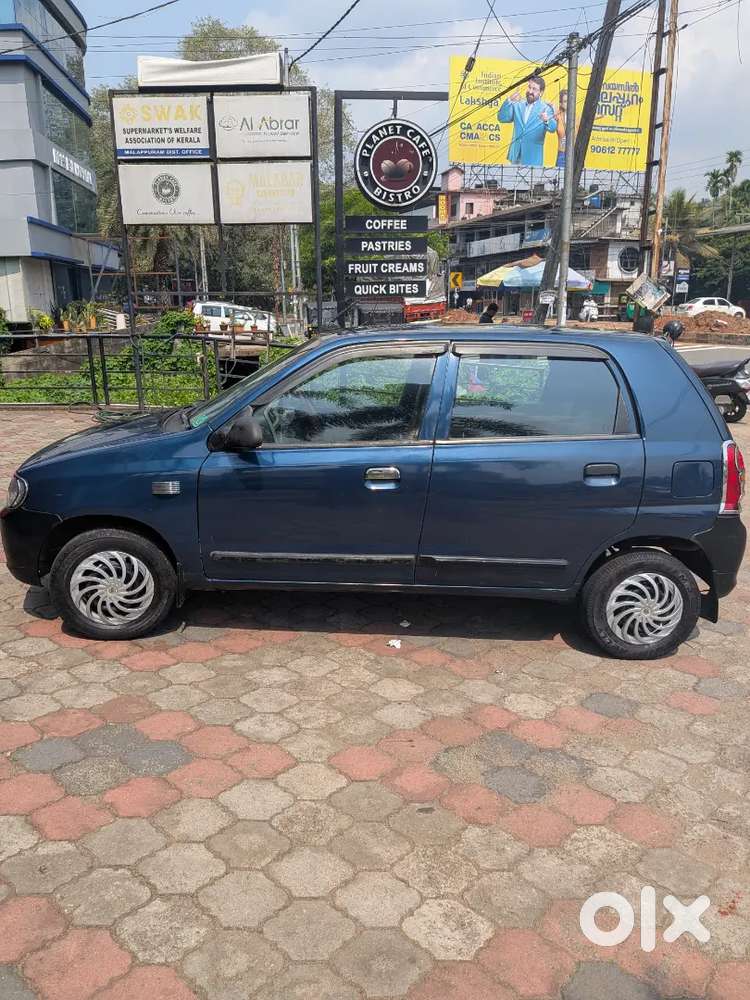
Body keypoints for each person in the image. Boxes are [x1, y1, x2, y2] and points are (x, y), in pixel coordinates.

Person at [498, 76, 556, 167]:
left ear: (541, 93)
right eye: (529, 87)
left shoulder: (546, 108)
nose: (530, 91)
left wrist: (546, 120)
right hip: (515, 156)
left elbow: (553, 128)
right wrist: (509, 100)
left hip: (533, 159)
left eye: (534, 89)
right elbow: (502, 118)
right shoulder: (518, 104)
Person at [555, 89, 567, 168]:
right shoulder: (557, 116)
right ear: (561, 103)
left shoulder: (576, 117)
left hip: (574, 155)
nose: (568, 104)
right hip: (562, 154)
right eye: (565, 101)